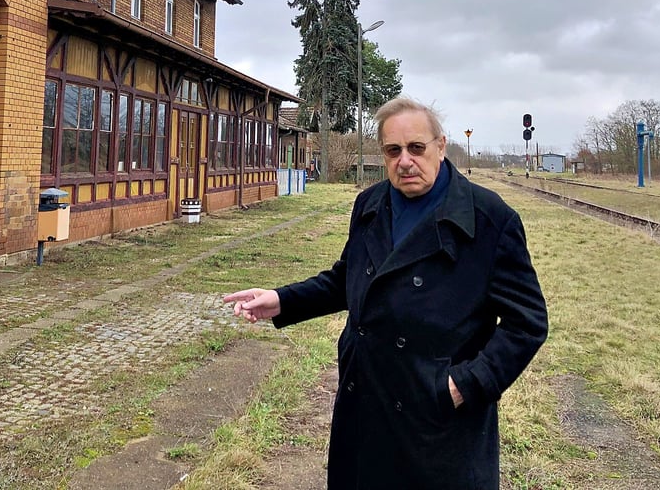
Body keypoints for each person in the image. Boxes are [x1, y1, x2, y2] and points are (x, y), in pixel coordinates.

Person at [224, 96, 548, 489]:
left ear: (440, 146)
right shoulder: (370, 204)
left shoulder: (489, 219)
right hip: (366, 404)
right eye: (393, 151)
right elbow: (348, 278)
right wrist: (282, 300)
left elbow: (526, 323)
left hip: (437, 421)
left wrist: (466, 385)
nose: (405, 161)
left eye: (416, 148)